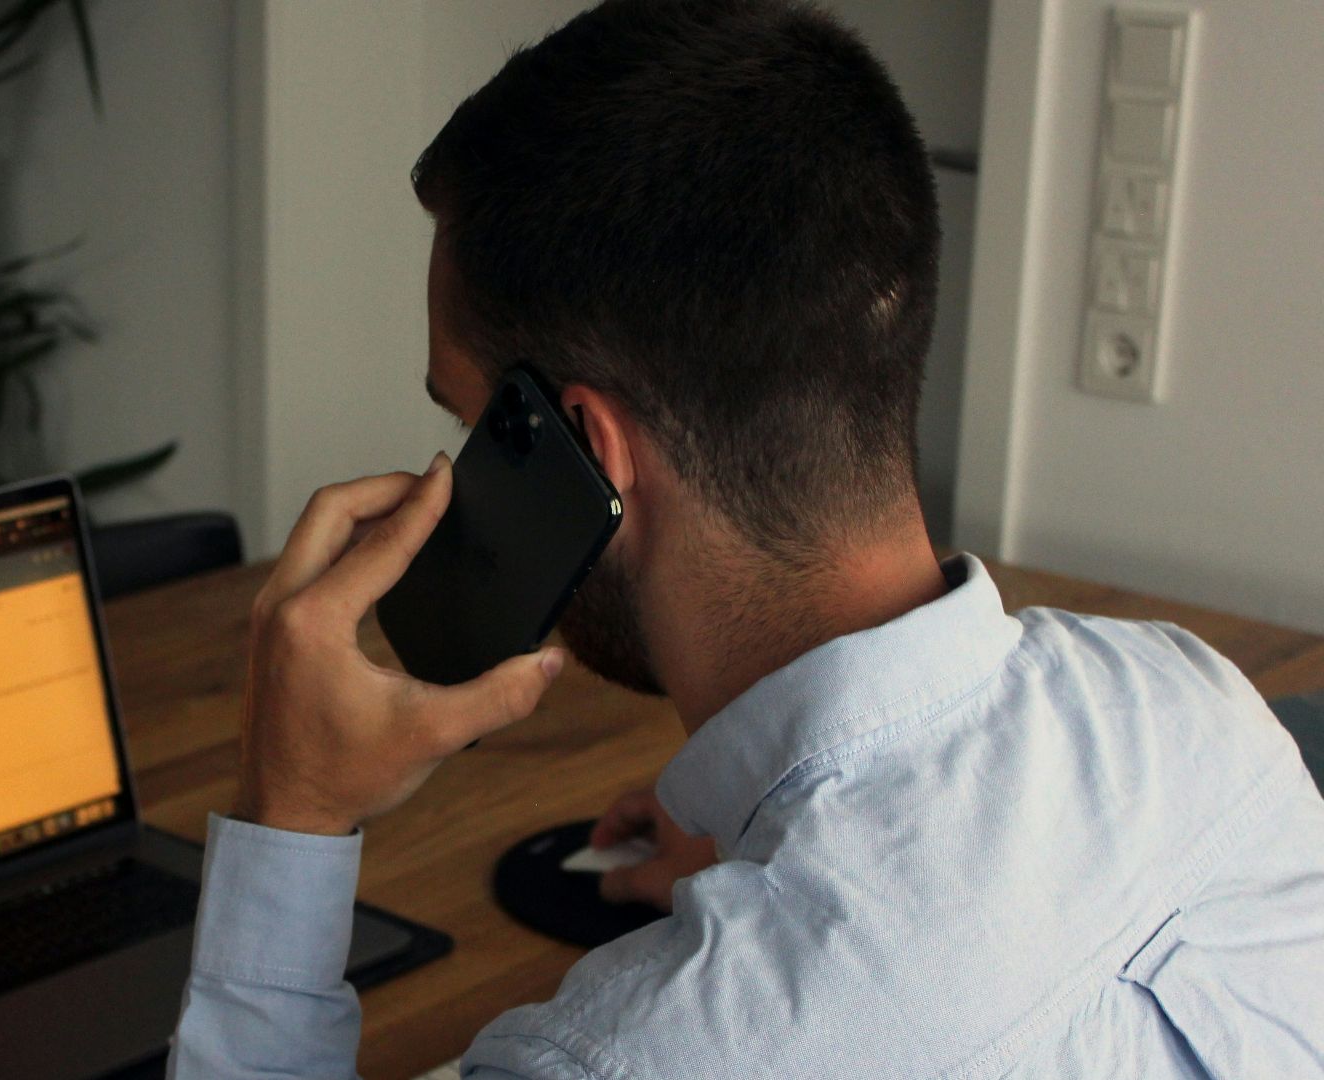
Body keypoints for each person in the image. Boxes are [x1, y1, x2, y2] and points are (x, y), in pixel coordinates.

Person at [167, 0, 1324, 1075]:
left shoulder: (630, 1056)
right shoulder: (1196, 704)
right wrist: (762, 867)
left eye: (474, 425)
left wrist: (297, 815)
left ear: (591, 454)